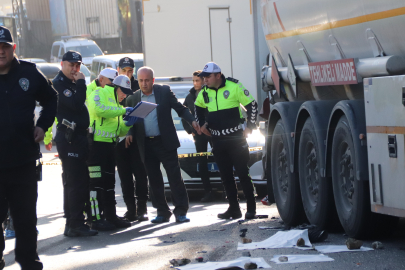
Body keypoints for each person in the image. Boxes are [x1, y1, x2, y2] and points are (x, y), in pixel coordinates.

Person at [0, 26, 57, 270]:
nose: (0, 52)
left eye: (4, 47)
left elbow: (51, 99)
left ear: (13, 48)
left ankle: (28, 261)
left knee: (24, 219)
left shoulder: (29, 72)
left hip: (23, 161)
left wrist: (43, 125)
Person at [125, 67, 200, 223]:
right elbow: (130, 121)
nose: (144, 84)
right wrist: (129, 132)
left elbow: (181, 109)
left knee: (174, 177)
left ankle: (180, 211)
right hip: (145, 144)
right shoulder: (133, 99)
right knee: (154, 179)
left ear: (153, 80)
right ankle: (162, 212)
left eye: (147, 80)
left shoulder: (164, 92)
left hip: (164, 142)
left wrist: (192, 120)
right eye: (140, 80)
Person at [194, 62, 258, 220]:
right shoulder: (204, 91)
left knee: (243, 174)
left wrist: (250, 126)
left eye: (208, 77)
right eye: (203, 77)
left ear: (218, 75)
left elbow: (252, 105)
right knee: (226, 176)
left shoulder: (234, 86)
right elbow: (198, 107)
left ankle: (251, 208)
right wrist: (201, 124)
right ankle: (234, 209)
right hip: (217, 139)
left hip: (236, 138)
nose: (205, 80)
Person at [52, 50, 98, 237]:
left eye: (78, 65)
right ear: (62, 64)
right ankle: (75, 224)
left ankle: (73, 221)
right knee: (75, 182)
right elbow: (76, 104)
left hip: (78, 138)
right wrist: (81, 82)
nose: (75, 69)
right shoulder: (59, 84)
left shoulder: (71, 83)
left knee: (78, 181)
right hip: (69, 138)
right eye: (71, 65)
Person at [87, 74, 137, 230]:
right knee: (95, 184)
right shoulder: (99, 93)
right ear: (116, 87)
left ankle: (111, 216)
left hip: (110, 147)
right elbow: (99, 109)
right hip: (95, 148)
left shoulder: (117, 105)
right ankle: (95, 218)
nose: (124, 96)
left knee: (109, 184)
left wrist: (128, 124)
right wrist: (122, 111)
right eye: (124, 92)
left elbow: (119, 131)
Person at [115, 57, 149, 221]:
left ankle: (142, 208)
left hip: (137, 139)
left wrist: (130, 131)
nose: (127, 74)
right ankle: (130, 209)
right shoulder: (112, 87)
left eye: (130, 71)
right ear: (118, 70)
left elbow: (140, 113)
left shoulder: (138, 87)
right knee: (124, 175)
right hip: (119, 140)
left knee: (140, 174)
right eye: (124, 71)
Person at [181, 70, 213, 202]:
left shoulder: (209, 93)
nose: (195, 83)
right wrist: (191, 130)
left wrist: (209, 126)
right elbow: (183, 114)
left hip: (211, 132)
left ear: (203, 81)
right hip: (198, 134)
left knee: (222, 159)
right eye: (193, 81)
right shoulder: (189, 97)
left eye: (197, 80)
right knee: (202, 162)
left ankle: (226, 190)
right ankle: (208, 192)